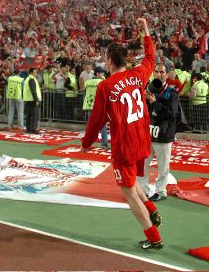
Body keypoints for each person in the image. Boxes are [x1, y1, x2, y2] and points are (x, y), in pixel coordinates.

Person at [81, 18, 163, 250]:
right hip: (142, 140)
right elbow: (151, 58)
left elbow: (96, 120)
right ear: (125, 59)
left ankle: (153, 236)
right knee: (131, 180)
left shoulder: (105, 86)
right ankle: (152, 209)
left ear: (108, 61)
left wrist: (86, 144)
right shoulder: (138, 74)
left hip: (124, 145)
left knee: (128, 193)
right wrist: (146, 29)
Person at [137, 65, 179, 202]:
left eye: (162, 72)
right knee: (143, 164)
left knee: (163, 166)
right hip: (147, 134)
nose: (159, 74)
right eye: (156, 71)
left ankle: (161, 191)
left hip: (163, 136)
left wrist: (154, 103)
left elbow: (171, 115)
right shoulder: (146, 89)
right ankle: (143, 189)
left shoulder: (171, 93)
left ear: (167, 75)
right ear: (153, 74)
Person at [82, 66, 108, 149]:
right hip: (99, 107)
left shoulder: (88, 82)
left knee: (90, 126)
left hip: (89, 106)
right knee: (103, 126)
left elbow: (84, 91)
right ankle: (104, 144)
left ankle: (86, 144)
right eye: (101, 73)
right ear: (98, 73)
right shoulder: (102, 82)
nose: (103, 74)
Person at [23, 67, 41, 134]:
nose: (36, 73)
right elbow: (33, 90)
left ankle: (29, 129)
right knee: (34, 115)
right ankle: (33, 129)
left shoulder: (27, 79)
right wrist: (36, 100)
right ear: (31, 73)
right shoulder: (32, 79)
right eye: (35, 72)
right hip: (33, 99)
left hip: (28, 99)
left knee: (29, 115)